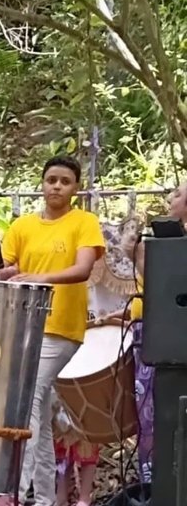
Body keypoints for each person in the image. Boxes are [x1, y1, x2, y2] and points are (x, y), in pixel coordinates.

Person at [0, 155, 105, 506]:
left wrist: (41, 279)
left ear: (75, 188)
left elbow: (83, 268)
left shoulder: (83, 221)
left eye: (65, 181)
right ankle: (43, 498)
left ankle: (13, 492)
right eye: (51, 179)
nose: (56, 186)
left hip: (61, 328)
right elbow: (5, 271)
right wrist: (6, 274)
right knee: (36, 408)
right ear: (42, 184)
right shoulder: (22, 226)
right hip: (22, 324)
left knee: (28, 400)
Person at [119, 183, 187, 484]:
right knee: (149, 405)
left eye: (178, 194)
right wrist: (133, 254)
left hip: (172, 338)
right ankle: (153, 476)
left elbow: (171, 290)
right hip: (154, 334)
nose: (171, 199)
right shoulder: (170, 240)